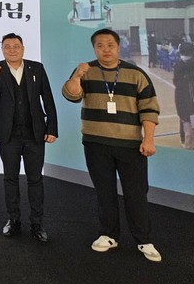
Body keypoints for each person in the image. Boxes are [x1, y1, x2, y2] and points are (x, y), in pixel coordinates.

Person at [62, 28, 162, 262]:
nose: (105, 50)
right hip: (96, 143)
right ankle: (108, 235)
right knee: (104, 192)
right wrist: (76, 77)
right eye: (100, 46)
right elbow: (71, 95)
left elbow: (149, 107)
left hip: (130, 145)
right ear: (94, 48)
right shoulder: (85, 70)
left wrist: (148, 138)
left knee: (136, 193)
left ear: (118, 47)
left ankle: (144, 239)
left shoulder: (136, 74)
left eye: (110, 45)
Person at [0, 33, 57, 242]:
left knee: (35, 179)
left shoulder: (36, 68)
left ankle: (37, 223)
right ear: (2, 49)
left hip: (34, 133)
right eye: (7, 46)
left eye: (16, 46)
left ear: (23, 48)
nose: (12, 50)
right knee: (10, 178)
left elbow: (47, 98)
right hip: (8, 135)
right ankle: (13, 219)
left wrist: (52, 127)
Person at [173, 42, 194, 150]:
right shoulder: (190, 65)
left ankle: (190, 146)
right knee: (192, 130)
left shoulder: (181, 67)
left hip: (190, 109)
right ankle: (191, 147)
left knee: (192, 130)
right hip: (190, 109)